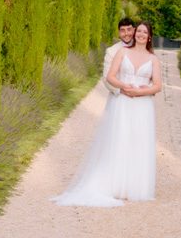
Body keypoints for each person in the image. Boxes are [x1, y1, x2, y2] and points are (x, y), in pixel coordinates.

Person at [52, 21, 162, 207]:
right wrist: (124, 87)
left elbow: (158, 85)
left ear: (149, 36)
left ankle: (136, 187)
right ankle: (116, 185)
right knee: (120, 140)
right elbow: (110, 76)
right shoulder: (122, 52)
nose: (141, 34)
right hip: (123, 103)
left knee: (139, 142)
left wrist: (140, 92)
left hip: (143, 105)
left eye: (145, 32)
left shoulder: (153, 59)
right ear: (135, 34)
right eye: (139, 31)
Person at [103, 17, 135, 97]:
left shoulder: (142, 49)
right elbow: (106, 77)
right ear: (119, 33)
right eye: (123, 30)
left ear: (134, 30)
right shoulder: (111, 51)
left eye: (129, 29)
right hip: (120, 96)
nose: (126, 33)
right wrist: (120, 91)